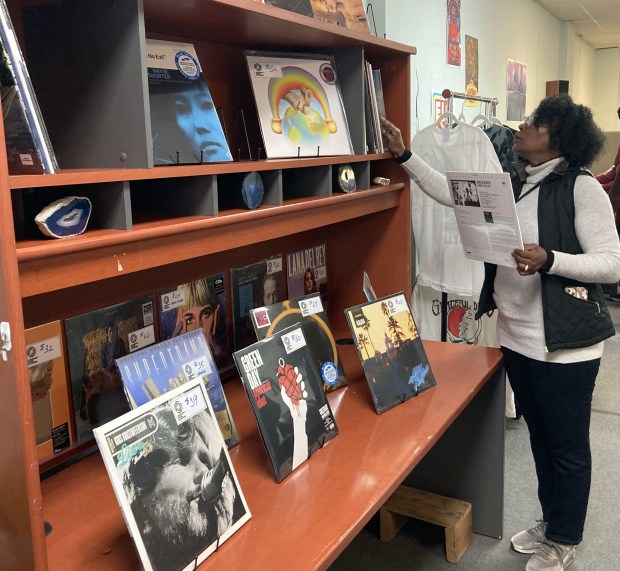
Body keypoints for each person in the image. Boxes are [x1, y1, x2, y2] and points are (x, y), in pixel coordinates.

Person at [381, 93, 620, 571]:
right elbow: (450, 192)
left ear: (558, 138)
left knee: (566, 446)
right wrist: (405, 155)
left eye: (534, 123)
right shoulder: (514, 182)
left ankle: (565, 537)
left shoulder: (581, 187)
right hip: (516, 337)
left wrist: (550, 259)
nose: (522, 128)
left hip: (564, 347)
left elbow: (612, 264)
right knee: (537, 438)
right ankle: (551, 522)